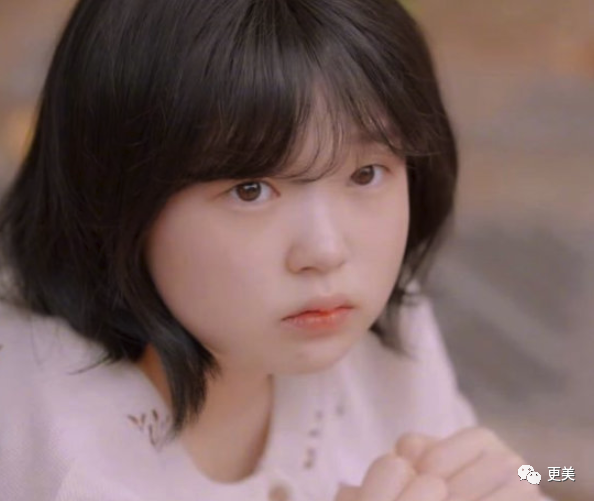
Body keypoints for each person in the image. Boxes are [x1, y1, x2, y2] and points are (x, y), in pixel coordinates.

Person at [0, 1, 550, 500]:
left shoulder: (373, 327)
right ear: (115, 191)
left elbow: (548, 475)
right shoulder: (49, 453)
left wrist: (523, 479)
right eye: (250, 190)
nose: (326, 252)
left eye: (365, 173)